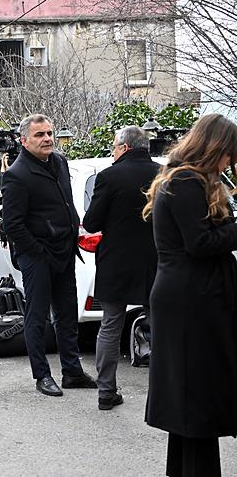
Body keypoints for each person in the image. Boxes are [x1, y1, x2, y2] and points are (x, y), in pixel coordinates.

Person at [142, 113, 237, 476]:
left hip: (189, 295)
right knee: (195, 395)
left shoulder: (185, 180)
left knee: (191, 395)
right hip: (191, 300)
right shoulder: (184, 182)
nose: (229, 162)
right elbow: (200, 243)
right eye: (228, 154)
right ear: (213, 148)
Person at [2, 114, 96, 396]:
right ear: (24, 140)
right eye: (40, 135)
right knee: (37, 316)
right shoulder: (17, 175)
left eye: (49, 133)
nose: (47, 139)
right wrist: (37, 252)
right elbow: (13, 224)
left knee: (67, 314)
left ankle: (72, 371)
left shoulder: (59, 161)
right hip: (38, 257)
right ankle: (42, 375)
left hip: (65, 252)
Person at [82, 126, 160, 411]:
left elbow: (91, 223)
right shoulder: (164, 175)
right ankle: (163, 393)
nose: (113, 153)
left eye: (114, 147)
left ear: (124, 147)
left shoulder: (109, 177)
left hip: (116, 262)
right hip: (157, 261)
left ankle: (106, 391)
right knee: (160, 327)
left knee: (110, 326)